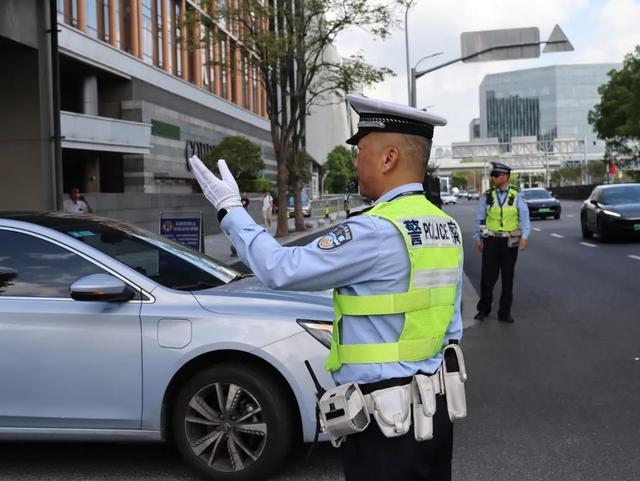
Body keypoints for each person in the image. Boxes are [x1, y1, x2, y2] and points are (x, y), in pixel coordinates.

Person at [189, 94, 465, 481]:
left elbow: (280, 268)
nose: (356, 161)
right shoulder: (444, 227)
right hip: (435, 412)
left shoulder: (375, 230)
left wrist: (230, 209)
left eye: (362, 149)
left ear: (388, 158)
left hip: (386, 423)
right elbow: (451, 327)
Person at [473, 161, 530, 323]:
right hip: (490, 240)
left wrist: (524, 237)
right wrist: (478, 238)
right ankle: (483, 309)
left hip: (509, 242)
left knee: (507, 278)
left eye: (496, 175)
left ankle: (504, 313)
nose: (493, 178)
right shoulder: (488, 195)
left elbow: (524, 217)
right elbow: (480, 217)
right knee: (487, 279)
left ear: (505, 177)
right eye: (492, 175)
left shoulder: (517, 194)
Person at [230, 193, 251, 257]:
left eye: (245, 195)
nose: (244, 195)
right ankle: (235, 251)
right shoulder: (237, 204)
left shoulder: (247, 200)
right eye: (243, 195)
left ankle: (237, 251)